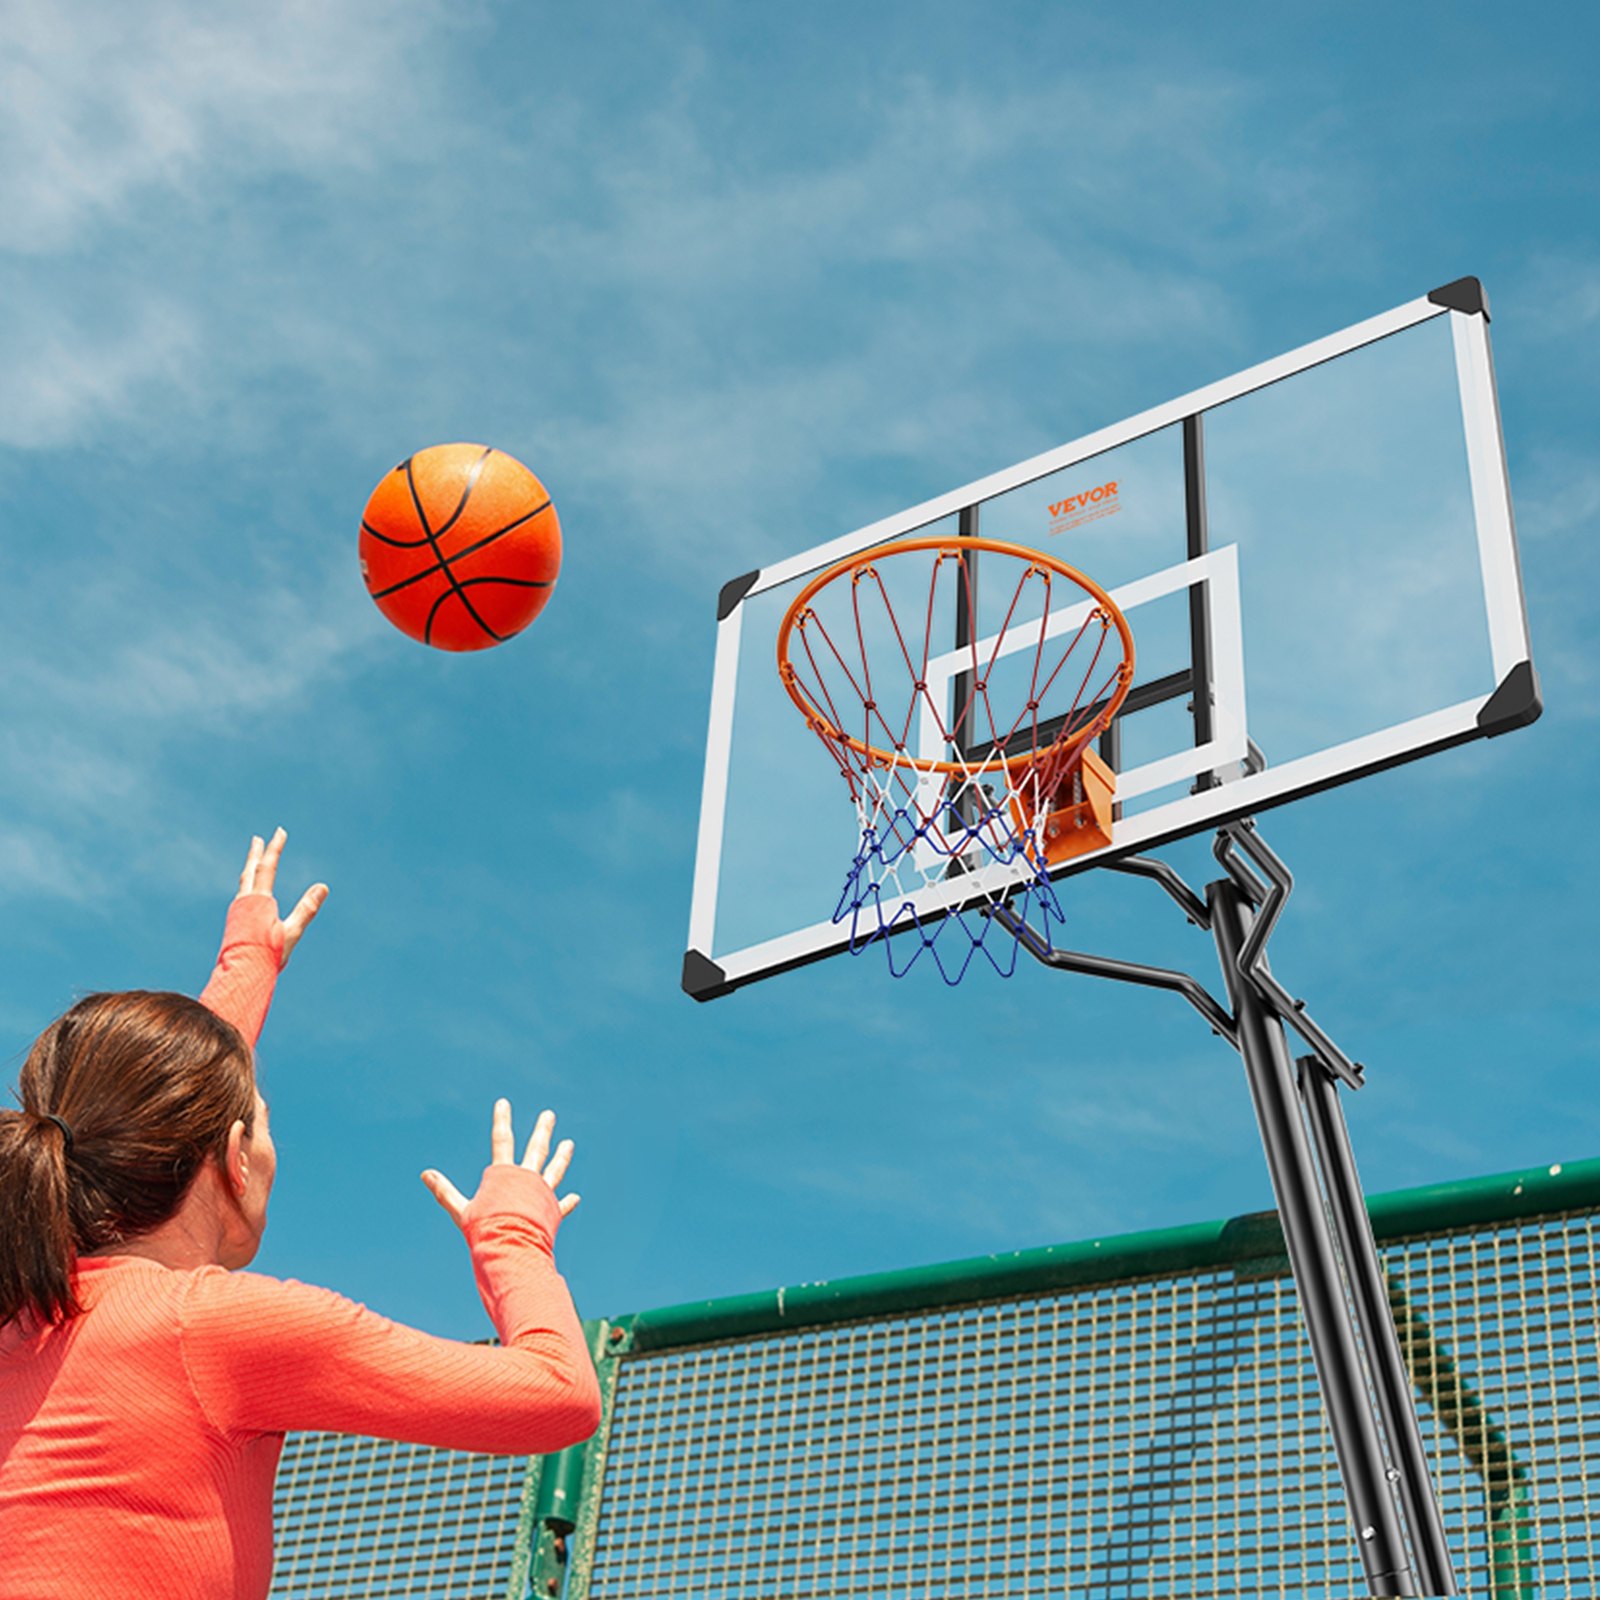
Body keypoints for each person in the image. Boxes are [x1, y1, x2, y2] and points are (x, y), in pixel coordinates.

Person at [0, 829, 600, 1599]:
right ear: (235, 1156)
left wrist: (246, 969)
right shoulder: (213, 1328)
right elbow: (559, 1395)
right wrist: (513, 1237)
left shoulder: (21, 1318)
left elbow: (154, 1115)